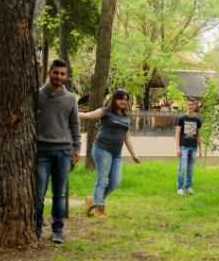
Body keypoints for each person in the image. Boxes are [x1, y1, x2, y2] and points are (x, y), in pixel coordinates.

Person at [36, 59, 81, 244]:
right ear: (49, 73)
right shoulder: (37, 95)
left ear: (66, 76)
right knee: (38, 194)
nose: (59, 76)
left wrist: (77, 148)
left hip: (63, 152)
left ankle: (57, 231)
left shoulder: (70, 99)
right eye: (56, 73)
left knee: (59, 194)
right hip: (41, 153)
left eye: (62, 74)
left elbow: (74, 125)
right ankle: (36, 228)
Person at [79, 89, 141, 218]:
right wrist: (69, 111)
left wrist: (134, 155)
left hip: (116, 153)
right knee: (102, 179)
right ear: (114, 99)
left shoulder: (125, 118)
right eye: (121, 98)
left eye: (126, 99)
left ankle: (93, 200)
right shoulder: (105, 112)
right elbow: (87, 115)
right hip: (102, 149)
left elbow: (127, 137)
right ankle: (99, 210)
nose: (124, 101)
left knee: (115, 182)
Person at [175, 98, 202, 195]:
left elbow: (198, 135)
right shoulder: (181, 119)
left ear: (195, 106)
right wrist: (177, 148)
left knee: (190, 168)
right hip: (183, 147)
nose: (190, 106)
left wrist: (200, 150)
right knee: (182, 167)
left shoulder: (197, 120)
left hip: (194, 147)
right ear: (186, 106)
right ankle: (180, 187)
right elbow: (177, 134)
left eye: (192, 105)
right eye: (189, 105)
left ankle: (188, 186)